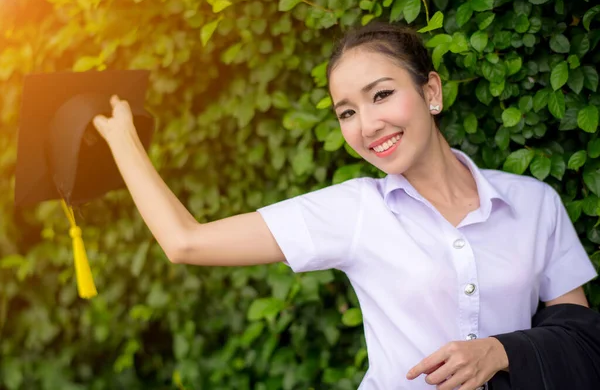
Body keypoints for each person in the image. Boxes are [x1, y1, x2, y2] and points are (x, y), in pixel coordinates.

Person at [91, 21, 598, 390]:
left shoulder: (535, 204)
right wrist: (121, 140)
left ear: (431, 91)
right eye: (347, 112)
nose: (368, 125)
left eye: (381, 95)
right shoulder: (354, 212)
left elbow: (578, 343)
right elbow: (186, 242)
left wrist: (499, 351)